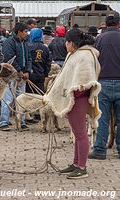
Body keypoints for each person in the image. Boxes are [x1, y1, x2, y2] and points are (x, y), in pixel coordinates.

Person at [44, 28, 101, 179]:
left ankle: (82, 167)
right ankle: (76, 164)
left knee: (81, 134)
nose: (65, 45)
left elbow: (85, 81)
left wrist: (71, 95)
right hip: (73, 98)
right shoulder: (75, 54)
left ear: (71, 43)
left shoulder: (85, 56)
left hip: (79, 99)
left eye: (67, 42)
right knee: (77, 133)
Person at [89, 11, 120, 160]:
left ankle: (100, 150)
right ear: (119, 24)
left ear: (106, 24)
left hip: (104, 83)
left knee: (102, 118)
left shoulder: (100, 39)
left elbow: (94, 60)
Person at [0, 22, 32, 131]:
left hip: (22, 76)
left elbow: (29, 58)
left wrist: (27, 71)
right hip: (11, 76)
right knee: (8, 99)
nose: (27, 34)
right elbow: (9, 58)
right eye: (25, 31)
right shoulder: (9, 42)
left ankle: (21, 121)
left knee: (21, 99)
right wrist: (19, 70)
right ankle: (4, 122)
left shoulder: (25, 43)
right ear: (19, 32)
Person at [27, 28, 51, 93]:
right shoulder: (45, 48)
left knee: (29, 96)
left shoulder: (27, 46)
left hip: (29, 76)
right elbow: (48, 63)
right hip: (40, 76)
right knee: (39, 96)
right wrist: (45, 74)